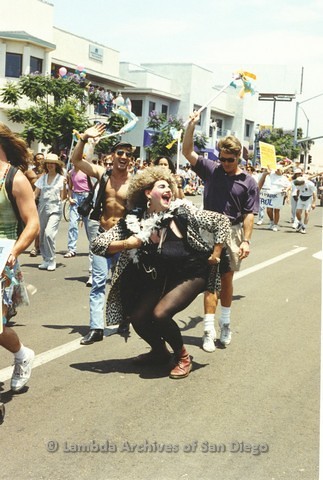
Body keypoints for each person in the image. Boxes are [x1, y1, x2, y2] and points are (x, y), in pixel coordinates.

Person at [92, 166, 230, 379]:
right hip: (163, 275)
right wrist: (127, 244)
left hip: (192, 271)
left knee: (160, 314)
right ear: (148, 193)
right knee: (138, 317)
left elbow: (221, 222)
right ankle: (159, 352)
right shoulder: (133, 220)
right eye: (162, 186)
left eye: (170, 187)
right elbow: (98, 244)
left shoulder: (182, 211)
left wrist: (217, 252)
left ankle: (183, 357)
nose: (169, 190)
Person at [182, 112, 259, 352]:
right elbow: (187, 152)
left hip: (234, 233)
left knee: (226, 280)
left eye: (230, 160)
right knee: (210, 281)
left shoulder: (248, 182)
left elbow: (249, 214)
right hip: (208, 231)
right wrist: (191, 127)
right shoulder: (210, 169)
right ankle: (208, 330)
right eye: (223, 159)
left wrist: (246, 241)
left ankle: (225, 324)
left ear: (238, 157)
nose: (225, 164)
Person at [71, 123, 134, 345]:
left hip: (124, 237)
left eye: (128, 154)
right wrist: (84, 139)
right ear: (112, 155)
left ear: (131, 160)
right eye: (120, 152)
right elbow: (76, 161)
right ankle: (96, 328)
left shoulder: (135, 182)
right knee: (98, 282)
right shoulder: (103, 174)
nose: (124, 156)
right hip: (102, 233)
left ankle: (125, 317)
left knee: (123, 282)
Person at [0, 123, 39, 392]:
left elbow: (33, 223)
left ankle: (22, 355)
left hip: (3, 258)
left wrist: (14, 251)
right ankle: (23, 354)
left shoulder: (15, 178)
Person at [34, 153, 67, 271]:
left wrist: (64, 186)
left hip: (55, 209)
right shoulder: (42, 178)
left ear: (56, 165)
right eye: (48, 163)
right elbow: (35, 194)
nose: (50, 165)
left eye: (52, 163)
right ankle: (45, 259)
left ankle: (52, 258)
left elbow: (63, 197)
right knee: (42, 234)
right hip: (42, 208)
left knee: (49, 233)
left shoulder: (62, 179)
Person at [258, 164, 291, 231]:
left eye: (279, 169)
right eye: (277, 169)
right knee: (269, 210)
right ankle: (271, 221)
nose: (278, 171)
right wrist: (268, 163)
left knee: (276, 210)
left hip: (278, 195)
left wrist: (286, 190)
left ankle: (275, 225)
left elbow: (289, 186)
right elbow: (269, 168)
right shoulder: (272, 174)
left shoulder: (284, 178)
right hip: (270, 194)